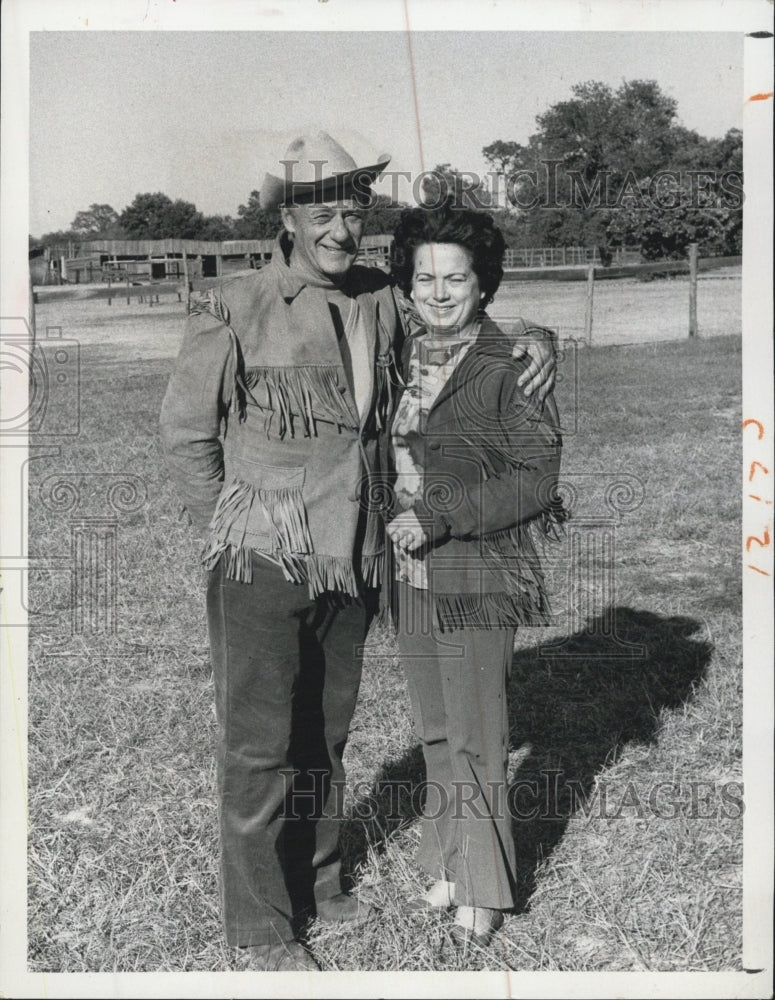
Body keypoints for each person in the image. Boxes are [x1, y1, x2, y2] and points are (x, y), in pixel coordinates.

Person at [160, 131, 557, 970]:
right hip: (260, 559)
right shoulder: (232, 303)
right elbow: (185, 434)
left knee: (326, 737)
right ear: (289, 218)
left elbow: (462, 309)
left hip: (354, 561)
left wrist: (537, 336)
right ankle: (263, 924)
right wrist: (232, 523)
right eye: (323, 210)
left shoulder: (380, 295)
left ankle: (321, 880)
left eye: (354, 209)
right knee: (258, 743)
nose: (342, 227)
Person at [385, 202, 566, 952]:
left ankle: (486, 889)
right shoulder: (403, 351)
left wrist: (442, 514)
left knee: (479, 733)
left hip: (476, 567)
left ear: (482, 284)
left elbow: (539, 474)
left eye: (453, 278)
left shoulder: (509, 364)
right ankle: (447, 863)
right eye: (424, 276)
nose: (437, 291)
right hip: (405, 571)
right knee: (435, 729)